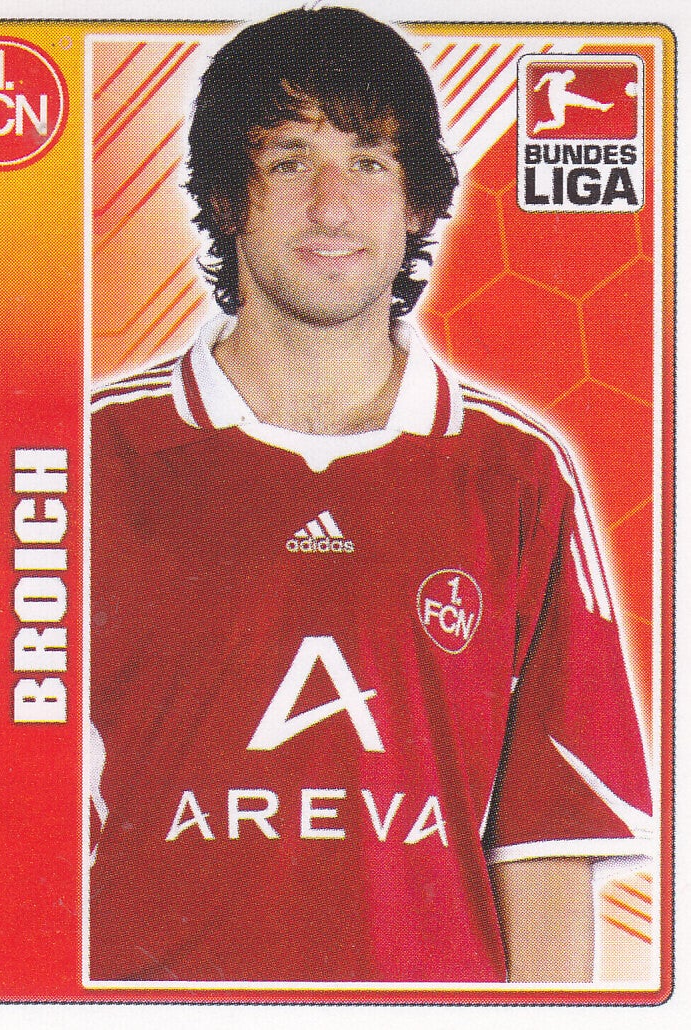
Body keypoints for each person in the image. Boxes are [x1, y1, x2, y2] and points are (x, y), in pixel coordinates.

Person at [89, 6, 652, 985]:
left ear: (418, 204)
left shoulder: (514, 476)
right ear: (225, 195)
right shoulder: (88, 460)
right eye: (288, 161)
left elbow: (546, 845)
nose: (331, 206)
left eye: (368, 162)